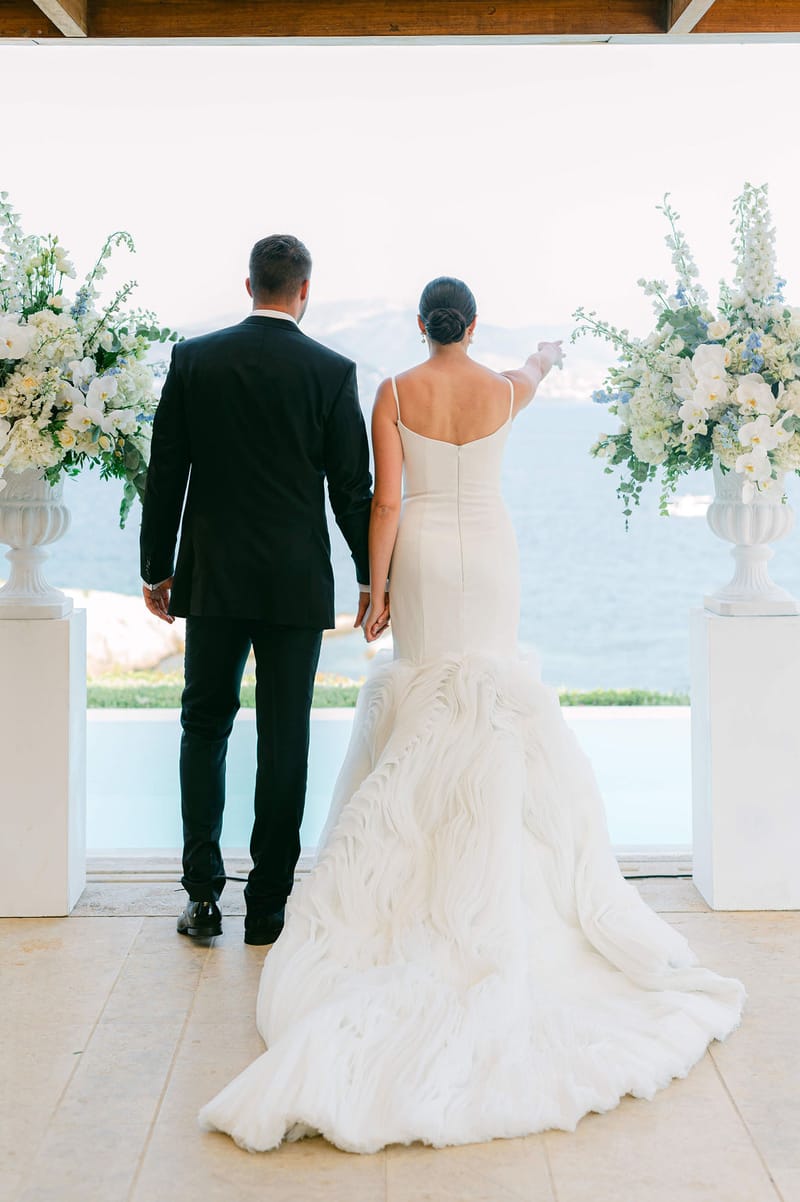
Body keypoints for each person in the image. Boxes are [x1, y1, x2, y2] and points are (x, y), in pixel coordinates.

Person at [199, 277, 745, 1152]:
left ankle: (420, 875)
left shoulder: (393, 391)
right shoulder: (502, 390)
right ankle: (501, 872)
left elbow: (385, 502)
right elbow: (531, 372)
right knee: (488, 697)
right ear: (472, 325)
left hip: (421, 549)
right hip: (490, 550)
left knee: (425, 688)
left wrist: (375, 586)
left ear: (421, 324)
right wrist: (544, 356)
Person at [139, 235, 374, 947]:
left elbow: (166, 472)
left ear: (249, 285)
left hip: (212, 576)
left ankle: (203, 897)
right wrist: (371, 575)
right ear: (304, 291)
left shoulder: (194, 359)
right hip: (295, 583)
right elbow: (351, 488)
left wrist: (156, 568)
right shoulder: (331, 371)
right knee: (285, 735)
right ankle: (269, 906)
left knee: (204, 726)